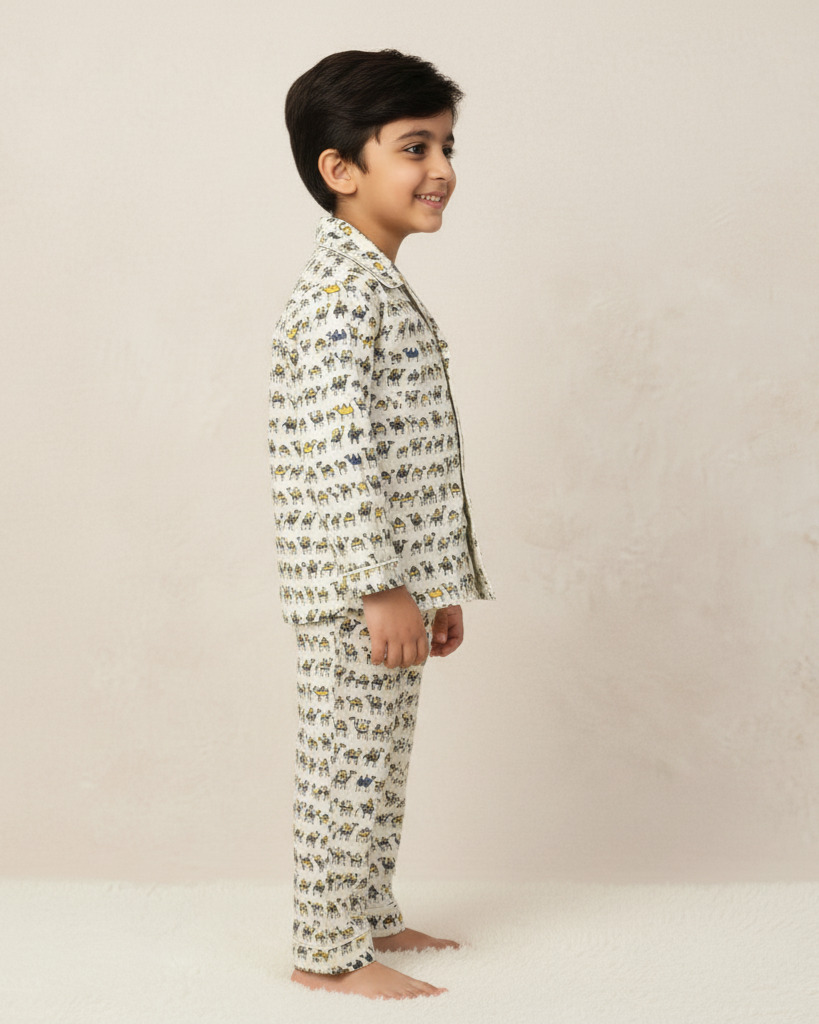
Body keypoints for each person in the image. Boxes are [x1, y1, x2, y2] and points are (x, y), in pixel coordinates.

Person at [268, 48, 496, 1000]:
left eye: (445, 146)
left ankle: (365, 913)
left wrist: (436, 586)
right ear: (341, 168)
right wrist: (381, 586)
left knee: (378, 764)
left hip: (393, 585)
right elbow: (339, 455)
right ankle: (326, 953)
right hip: (353, 589)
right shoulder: (338, 296)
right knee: (344, 767)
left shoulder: (374, 284)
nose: (440, 168)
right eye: (414, 147)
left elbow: (406, 453)